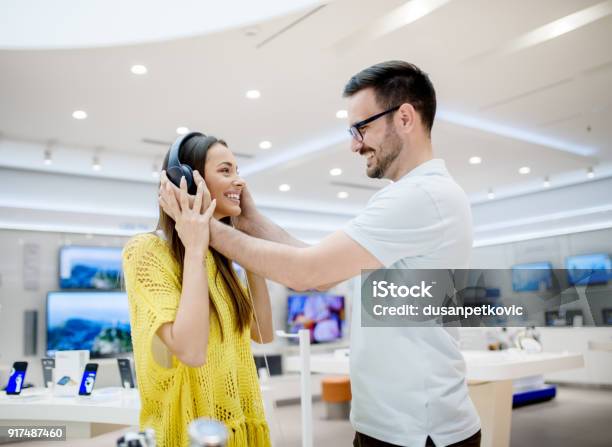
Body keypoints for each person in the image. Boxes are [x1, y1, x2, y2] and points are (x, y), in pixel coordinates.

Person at [159, 61, 481, 446]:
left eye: (360, 128)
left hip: (419, 432)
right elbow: (321, 269)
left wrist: (202, 226)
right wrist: (250, 223)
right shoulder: (413, 196)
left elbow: (307, 273)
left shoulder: (421, 197)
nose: (354, 143)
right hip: (398, 425)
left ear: (406, 118)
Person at [123, 134, 273, 447]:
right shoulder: (146, 252)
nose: (239, 181)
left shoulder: (221, 260)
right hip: (186, 433)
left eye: (237, 170)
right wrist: (194, 245)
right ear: (188, 183)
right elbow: (191, 351)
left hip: (238, 429)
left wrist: (249, 242)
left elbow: (263, 332)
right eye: (226, 171)